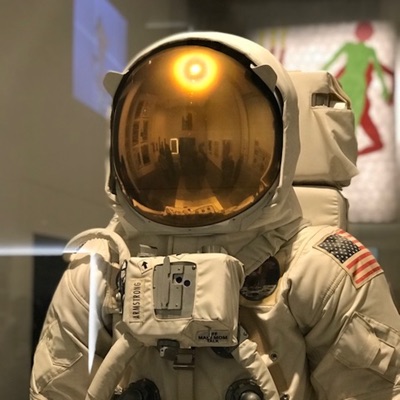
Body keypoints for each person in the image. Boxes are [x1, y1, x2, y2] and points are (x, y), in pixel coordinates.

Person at [30, 31, 400, 400]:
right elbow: (58, 391)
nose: (189, 161)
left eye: (210, 141)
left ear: (282, 145)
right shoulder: (102, 272)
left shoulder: (317, 269)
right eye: (173, 141)